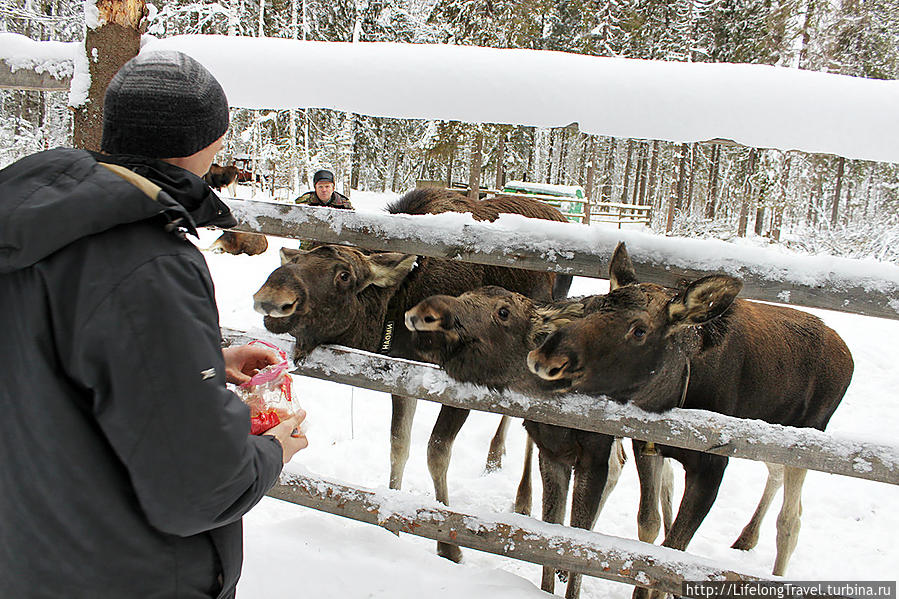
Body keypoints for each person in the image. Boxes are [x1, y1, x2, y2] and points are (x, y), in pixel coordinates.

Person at [0, 51, 307, 599]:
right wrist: (272, 452)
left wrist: (202, 359)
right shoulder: (150, 262)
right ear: (206, 142)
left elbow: (54, 366)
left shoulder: (28, 230)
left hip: (34, 560)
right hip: (132, 576)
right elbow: (200, 490)